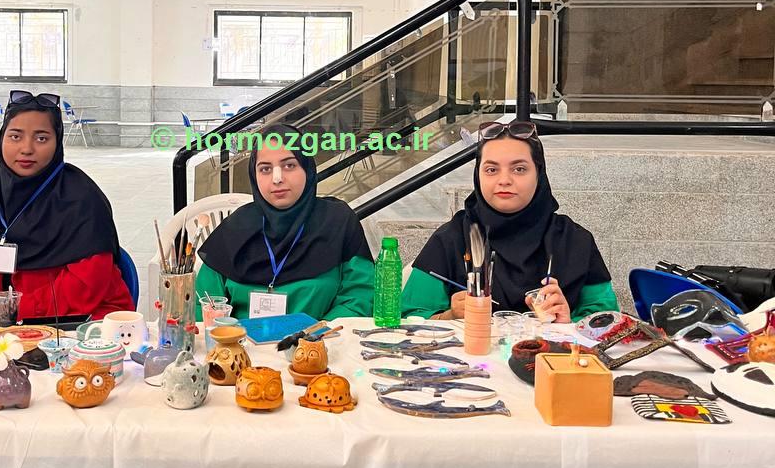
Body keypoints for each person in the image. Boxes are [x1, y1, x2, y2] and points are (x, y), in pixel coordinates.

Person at [0, 91, 132, 320]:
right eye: (15, 136)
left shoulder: (82, 199)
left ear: (57, 142)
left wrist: (11, 305)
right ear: (2, 137)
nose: (27, 148)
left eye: (41, 138)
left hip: (72, 321)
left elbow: (88, 283)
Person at [401, 120, 618, 322]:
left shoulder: (575, 241)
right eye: (491, 170)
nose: (504, 180)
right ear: (478, 175)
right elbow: (408, 319)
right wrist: (450, 316)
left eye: (519, 169)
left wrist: (568, 323)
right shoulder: (452, 239)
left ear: (539, 174)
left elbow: (607, 322)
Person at [194, 134, 374, 322]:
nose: (277, 178)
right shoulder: (235, 227)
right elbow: (203, 305)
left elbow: (360, 297)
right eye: (265, 169)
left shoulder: (338, 222)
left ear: (307, 169)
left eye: (289, 165)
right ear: (254, 176)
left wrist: (317, 333)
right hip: (240, 339)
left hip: (322, 338)